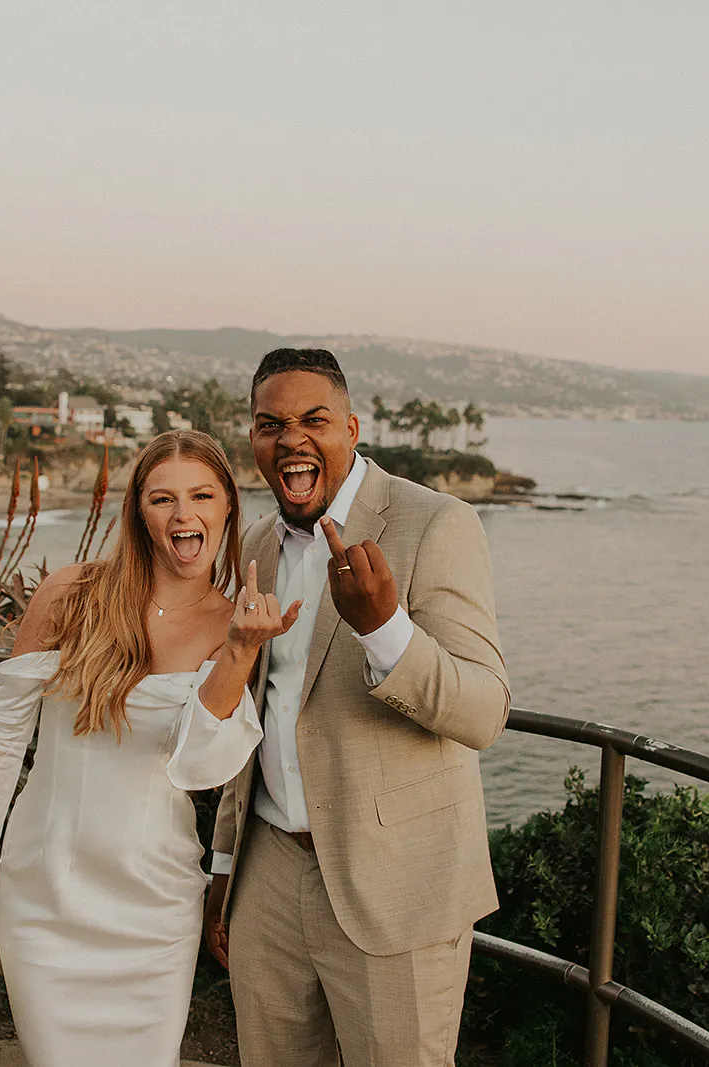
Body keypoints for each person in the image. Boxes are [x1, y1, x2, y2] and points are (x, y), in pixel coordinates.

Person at [0, 429, 300, 1066]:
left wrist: (238, 653)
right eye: (162, 499)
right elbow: (0, 738)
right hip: (44, 890)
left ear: (228, 507)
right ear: (139, 513)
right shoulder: (69, 595)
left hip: (154, 901)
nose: (184, 515)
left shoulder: (236, 623)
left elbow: (200, 768)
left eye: (202, 496)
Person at [204, 349, 510, 1067]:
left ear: (352, 426)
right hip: (268, 877)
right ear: (253, 439)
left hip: (396, 888)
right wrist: (224, 864)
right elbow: (258, 715)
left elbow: (485, 711)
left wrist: (385, 629)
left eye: (314, 420)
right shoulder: (255, 543)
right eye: (270, 424)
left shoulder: (435, 523)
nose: (292, 439)